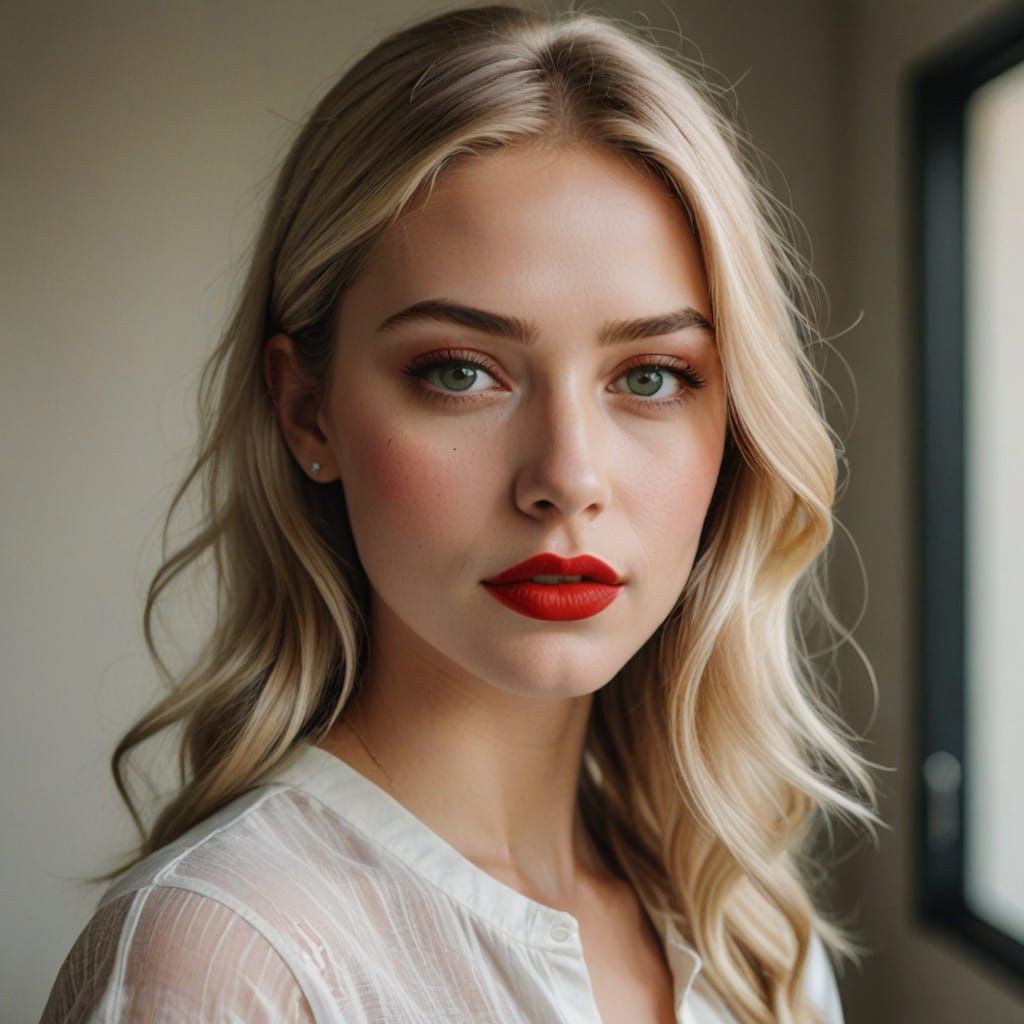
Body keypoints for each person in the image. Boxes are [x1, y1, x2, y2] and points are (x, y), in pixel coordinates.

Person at [39, 3, 882, 1022]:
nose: (567, 475)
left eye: (651, 376)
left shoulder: (746, 922)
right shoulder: (225, 959)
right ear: (306, 407)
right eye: (459, 371)